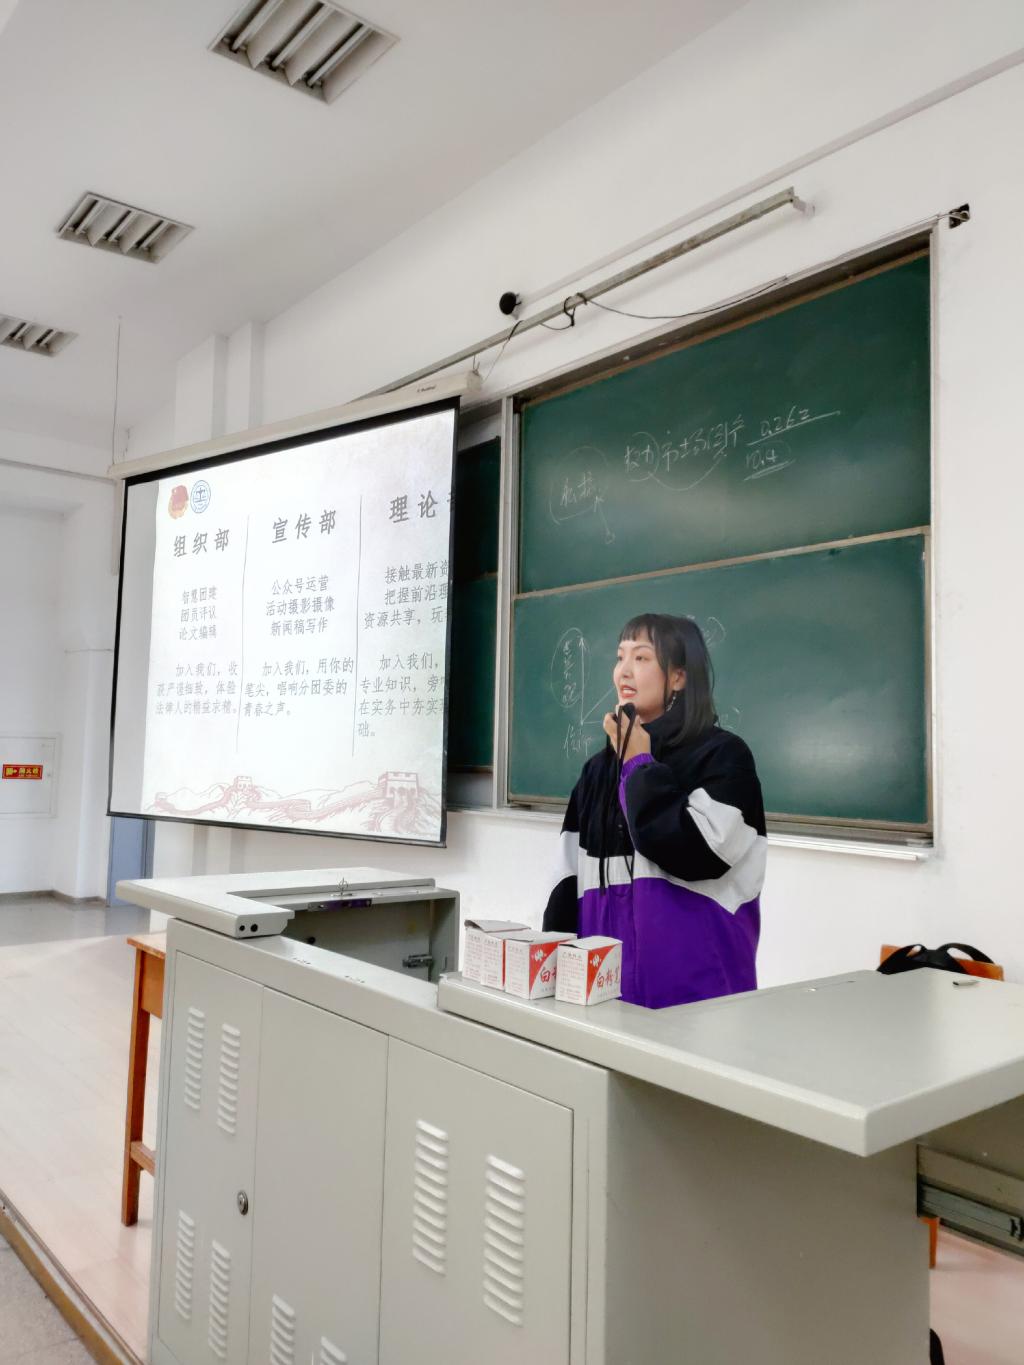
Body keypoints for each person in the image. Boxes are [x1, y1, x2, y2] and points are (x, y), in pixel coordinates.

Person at [543, 613, 765, 1008]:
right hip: (606, 999)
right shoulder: (597, 771)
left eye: (642, 658)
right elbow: (566, 883)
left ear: (678, 677)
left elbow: (697, 852)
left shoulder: (723, 757)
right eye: (620, 657)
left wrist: (638, 764)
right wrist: (554, 982)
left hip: (702, 1004)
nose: (624, 671)